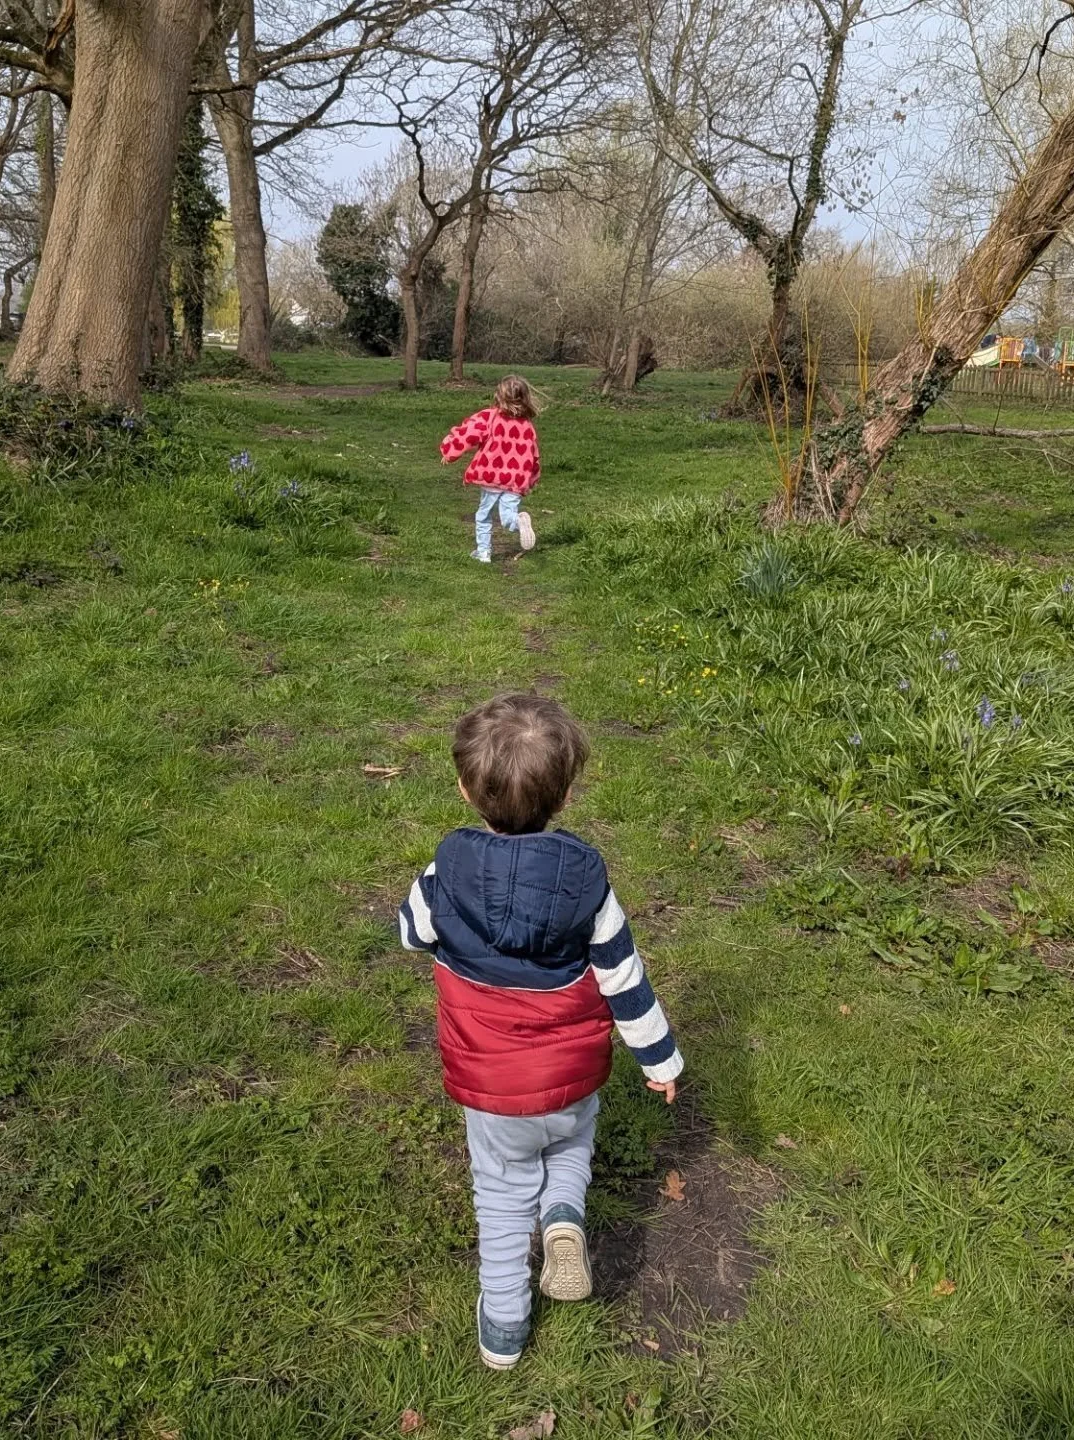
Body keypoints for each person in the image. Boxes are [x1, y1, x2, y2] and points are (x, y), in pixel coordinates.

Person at [398, 693, 684, 1369]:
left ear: (466, 790)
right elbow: (623, 976)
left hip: (492, 1084)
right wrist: (660, 1059)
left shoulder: (447, 873)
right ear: (567, 793)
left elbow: (411, 932)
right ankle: (562, 1212)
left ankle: (504, 1328)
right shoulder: (587, 883)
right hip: (571, 1074)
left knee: (500, 1197)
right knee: (571, 1141)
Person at [439, 375, 542, 564]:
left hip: (492, 476)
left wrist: (450, 451)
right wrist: (532, 478)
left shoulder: (490, 417)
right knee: (507, 515)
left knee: (484, 515)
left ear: (499, 396)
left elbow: (467, 434)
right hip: (516, 479)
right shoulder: (527, 426)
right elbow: (533, 454)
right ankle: (518, 522)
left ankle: (484, 553)